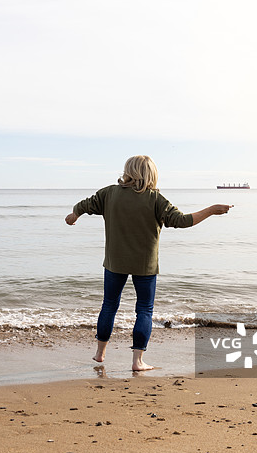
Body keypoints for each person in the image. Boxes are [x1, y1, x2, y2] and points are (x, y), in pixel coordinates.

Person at [65, 155, 232, 371]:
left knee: (109, 305)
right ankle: (137, 361)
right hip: (145, 265)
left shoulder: (109, 193)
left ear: (128, 171)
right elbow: (182, 221)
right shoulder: (155, 199)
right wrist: (211, 210)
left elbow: (85, 204)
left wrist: (74, 215)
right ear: (151, 174)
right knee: (144, 310)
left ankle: (100, 353)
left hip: (115, 262)